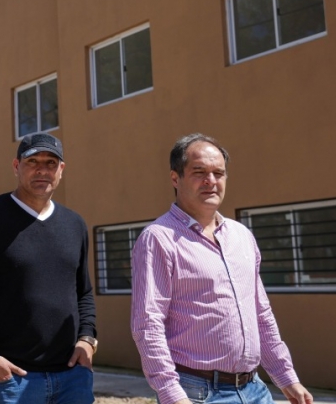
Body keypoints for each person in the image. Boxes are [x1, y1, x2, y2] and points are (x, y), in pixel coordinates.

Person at [130, 133, 313, 404]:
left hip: (255, 390)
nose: (211, 181)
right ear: (175, 178)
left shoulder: (241, 236)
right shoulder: (158, 238)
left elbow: (261, 314)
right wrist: (171, 394)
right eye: (199, 172)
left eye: (219, 173)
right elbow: (148, 324)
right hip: (197, 393)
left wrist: (287, 377)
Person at [0, 132, 97, 404]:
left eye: (51, 163)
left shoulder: (74, 224)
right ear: (16, 166)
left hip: (72, 378)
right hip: (12, 379)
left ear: (61, 170)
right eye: (33, 162)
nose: (42, 170)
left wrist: (87, 338)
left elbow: (84, 292)